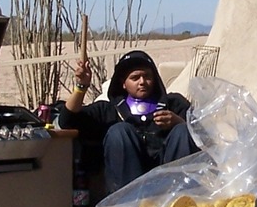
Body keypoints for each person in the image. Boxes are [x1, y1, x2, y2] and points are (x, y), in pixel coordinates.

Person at [58, 50, 198, 195]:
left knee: (183, 130)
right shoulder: (109, 110)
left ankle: (179, 204)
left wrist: (178, 121)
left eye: (147, 76)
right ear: (123, 83)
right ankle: (129, 205)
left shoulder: (174, 104)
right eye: (135, 77)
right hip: (129, 193)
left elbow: (204, 134)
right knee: (119, 131)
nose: (142, 82)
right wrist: (81, 86)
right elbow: (67, 120)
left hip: (172, 189)